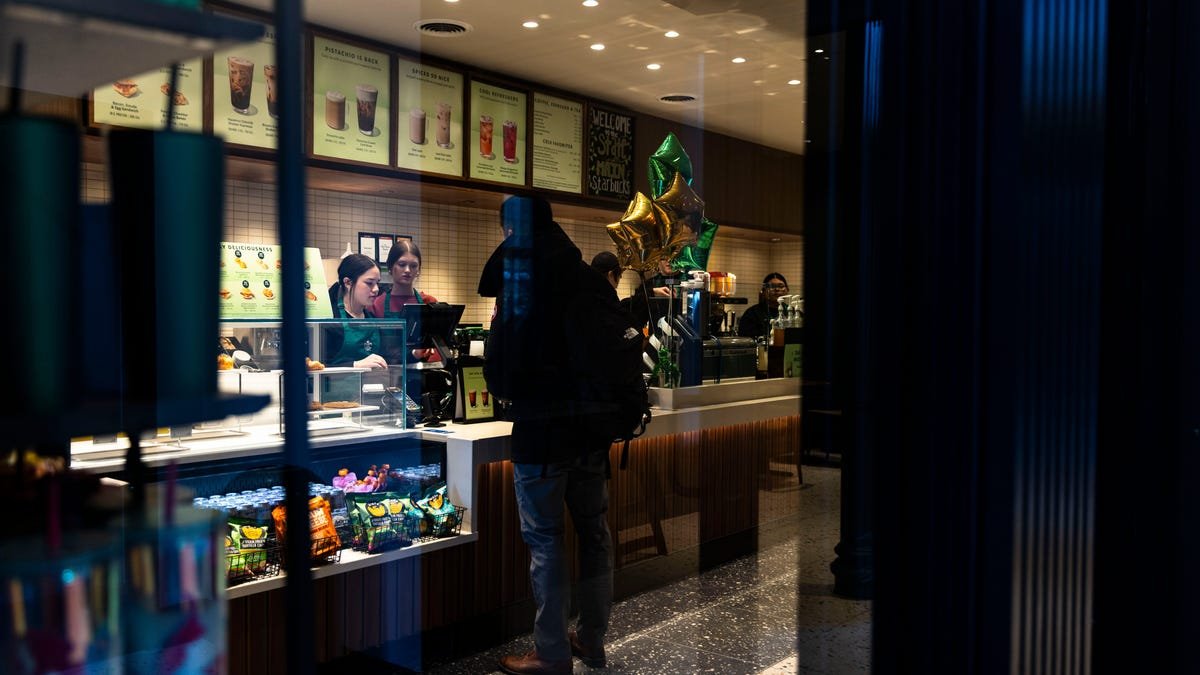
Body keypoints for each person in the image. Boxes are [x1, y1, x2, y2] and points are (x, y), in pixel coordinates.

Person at [480, 195, 617, 675]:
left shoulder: (520, 285)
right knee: (595, 535)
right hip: (593, 432)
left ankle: (552, 652)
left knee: (546, 542)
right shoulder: (589, 280)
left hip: (541, 435)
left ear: (511, 231)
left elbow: (498, 375)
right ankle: (593, 642)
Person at [324, 253, 387, 370]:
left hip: (371, 386)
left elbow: (387, 357)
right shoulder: (331, 320)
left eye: (377, 283)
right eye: (369, 283)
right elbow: (316, 366)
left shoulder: (373, 320)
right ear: (348, 282)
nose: (376, 289)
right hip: (336, 387)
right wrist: (355, 365)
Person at [371, 238, 437, 317]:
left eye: (413, 266)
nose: (407, 270)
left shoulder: (429, 303)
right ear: (390, 267)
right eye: (402, 264)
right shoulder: (376, 305)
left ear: (418, 270)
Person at [738, 272, 790, 339]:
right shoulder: (752, 313)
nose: (777, 289)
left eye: (780, 286)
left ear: (787, 290)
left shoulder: (793, 311)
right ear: (764, 291)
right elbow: (745, 340)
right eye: (772, 286)